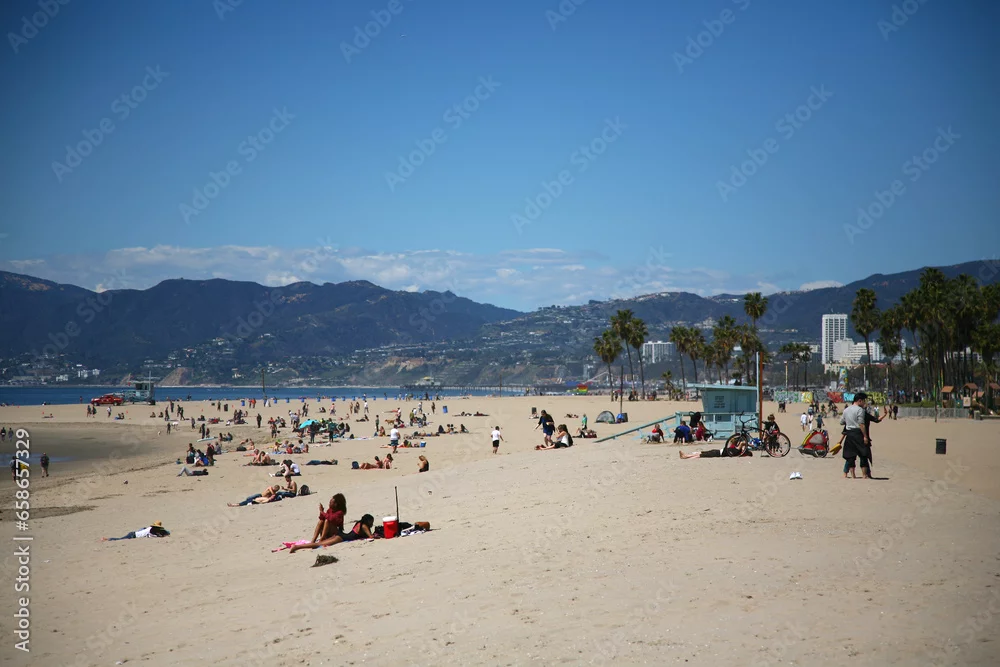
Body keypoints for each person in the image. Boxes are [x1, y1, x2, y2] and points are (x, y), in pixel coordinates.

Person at [840, 393, 871, 479]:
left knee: (850, 456)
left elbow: (841, 422)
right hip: (858, 433)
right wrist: (865, 436)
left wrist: (849, 420)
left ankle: (853, 475)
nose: (864, 403)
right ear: (859, 401)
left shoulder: (846, 410)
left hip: (849, 434)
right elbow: (861, 424)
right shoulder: (860, 410)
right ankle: (864, 475)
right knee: (863, 454)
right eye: (864, 401)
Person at [678, 438, 749, 459]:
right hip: (718, 452)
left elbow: (742, 443)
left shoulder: (737, 450)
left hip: (718, 453)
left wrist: (749, 445)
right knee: (703, 453)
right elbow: (741, 443)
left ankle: (686, 456)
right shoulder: (735, 449)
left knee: (701, 455)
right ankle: (686, 456)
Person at [102, 522, 170, 541]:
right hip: (133, 535)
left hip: (134, 533)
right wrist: (162, 536)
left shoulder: (150, 528)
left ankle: (107, 539)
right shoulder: (151, 530)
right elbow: (153, 535)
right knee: (120, 539)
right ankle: (107, 539)